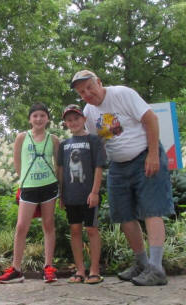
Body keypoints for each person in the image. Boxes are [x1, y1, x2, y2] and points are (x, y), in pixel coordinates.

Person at [70, 70, 175, 286]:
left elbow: (151, 119)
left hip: (145, 156)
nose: (87, 94)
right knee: (123, 215)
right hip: (117, 166)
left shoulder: (122, 94)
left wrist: (153, 154)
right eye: (82, 92)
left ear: (99, 82)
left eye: (90, 87)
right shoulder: (88, 111)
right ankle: (142, 263)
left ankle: (156, 268)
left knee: (152, 210)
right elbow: (98, 144)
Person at [0, 103, 60, 284]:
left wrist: (59, 187)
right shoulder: (22, 137)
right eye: (35, 116)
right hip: (29, 187)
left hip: (49, 186)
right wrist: (25, 180)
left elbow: (58, 166)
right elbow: (17, 162)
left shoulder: (53, 139)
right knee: (21, 226)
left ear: (47, 118)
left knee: (48, 225)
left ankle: (48, 267)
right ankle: (16, 269)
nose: (39, 119)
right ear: (30, 119)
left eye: (42, 115)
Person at [57, 104, 106, 285]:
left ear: (84, 119)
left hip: (88, 195)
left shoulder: (94, 140)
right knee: (75, 230)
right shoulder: (64, 145)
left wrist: (95, 192)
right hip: (71, 196)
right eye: (69, 120)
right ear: (65, 124)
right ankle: (79, 270)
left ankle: (94, 270)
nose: (73, 122)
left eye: (76, 118)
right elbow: (61, 171)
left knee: (92, 230)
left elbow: (99, 167)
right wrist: (61, 195)